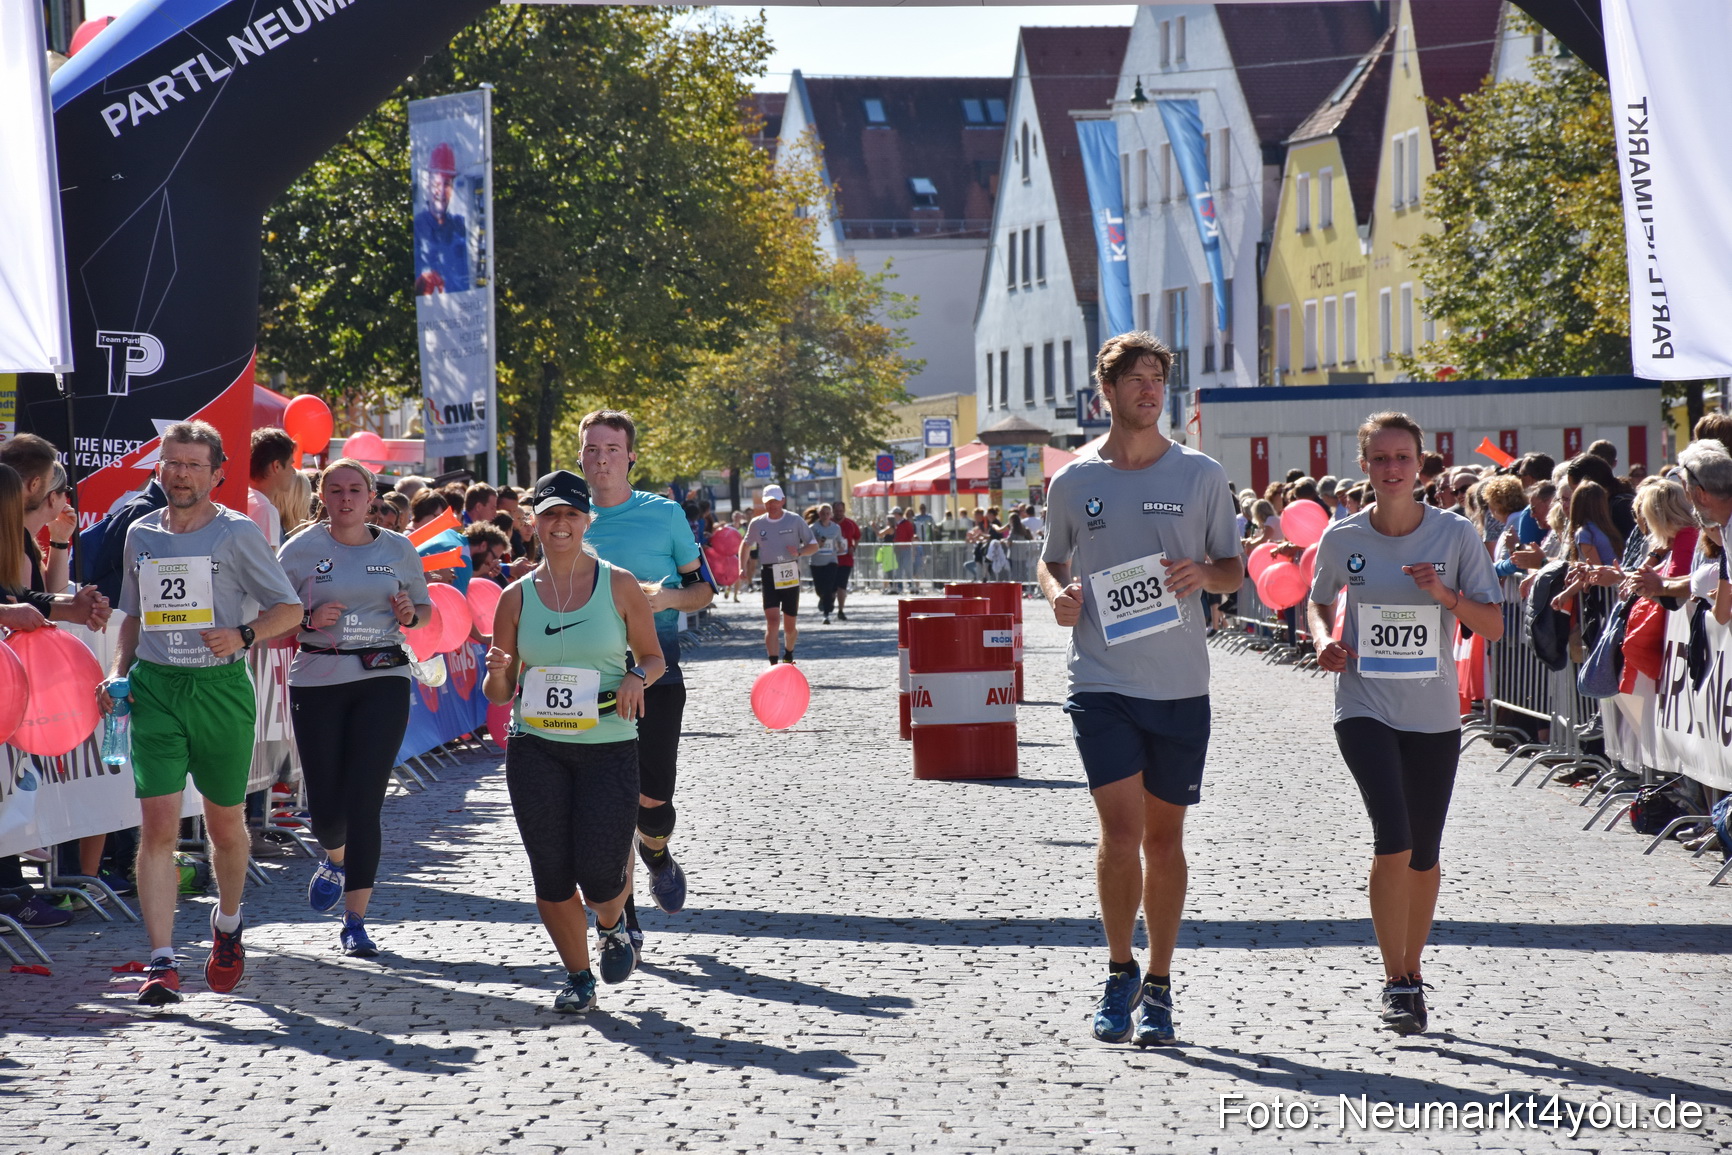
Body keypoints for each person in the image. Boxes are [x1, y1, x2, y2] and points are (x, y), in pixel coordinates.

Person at [1037, 332, 1242, 1047]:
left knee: (1164, 837)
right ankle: (1119, 967)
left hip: (1181, 683)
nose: (1150, 389)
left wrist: (1201, 575)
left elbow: (1233, 570)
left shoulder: (1201, 474)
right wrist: (1060, 595)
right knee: (1121, 834)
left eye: (1159, 377)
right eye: (1136, 379)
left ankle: (1159, 981)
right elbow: (1051, 561)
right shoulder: (1074, 480)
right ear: (1108, 392)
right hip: (1102, 680)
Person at [1306, 412, 1503, 1036]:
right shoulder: (1343, 538)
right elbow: (1318, 600)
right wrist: (1322, 639)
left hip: (1434, 713)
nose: (1392, 469)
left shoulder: (1455, 536)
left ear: (1420, 465)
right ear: (1364, 465)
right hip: (1363, 703)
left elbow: (1493, 625)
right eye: (1381, 458)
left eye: (1403, 458)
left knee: (1424, 851)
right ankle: (1396, 980)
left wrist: (1445, 596)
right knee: (1391, 836)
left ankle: (1412, 971)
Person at [101, 421, 303, 1006]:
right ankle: (163, 962)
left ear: (217, 474)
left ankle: (229, 924)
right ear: (158, 468)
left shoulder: (237, 534)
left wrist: (242, 634)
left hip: (219, 691)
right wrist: (120, 671)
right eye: (172, 463)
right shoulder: (140, 534)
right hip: (158, 688)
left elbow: (287, 609)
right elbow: (134, 616)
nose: (180, 474)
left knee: (224, 828)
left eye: (193, 465)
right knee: (159, 827)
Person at [482, 470, 665, 1013]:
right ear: (532, 521)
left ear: (588, 521)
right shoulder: (514, 598)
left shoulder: (619, 584)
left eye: (571, 514)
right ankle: (578, 975)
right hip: (536, 746)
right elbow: (499, 694)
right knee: (552, 870)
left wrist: (637, 677)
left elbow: (654, 658)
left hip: (608, 744)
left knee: (601, 870)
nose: (560, 523)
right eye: (550, 514)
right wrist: (496, 670)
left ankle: (612, 926)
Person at [277, 458, 432, 956]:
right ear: (322, 496)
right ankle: (334, 856)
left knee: (366, 802)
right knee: (325, 812)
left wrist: (411, 612)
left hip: (382, 678)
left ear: (371, 498)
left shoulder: (398, 549)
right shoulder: (299, 551)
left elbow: (425, 612)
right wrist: (306, 615)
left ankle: (356, 921)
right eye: (335, 490)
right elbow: (268, 620)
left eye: (355, 490)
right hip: (318, 679)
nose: (345, 499)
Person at [578, 411, 712, 948]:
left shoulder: (665, 515)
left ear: (631, 455)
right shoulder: (567, 518)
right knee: (611, 802)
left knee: (652, 800)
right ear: (581, 455)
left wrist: (669, 598)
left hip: (658, 671)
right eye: (593, 449)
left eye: (612, 448)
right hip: (589, 680)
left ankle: (655, 851)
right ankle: (623, 924)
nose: (602, 458)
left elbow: (704, 590)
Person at [739, 484, 818, 663]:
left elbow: (813, 545)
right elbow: (745, 544)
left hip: (789, 573)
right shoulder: (758, 523)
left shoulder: (795, 520)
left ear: (783, 500)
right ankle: (773, 664)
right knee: (773, 621)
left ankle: (789, 653)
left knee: (790, 627)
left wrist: (799, 552)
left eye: (776, 501)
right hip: (769, 574)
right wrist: (742, 567)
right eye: (768, 502)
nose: (772, 505)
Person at [413, 141, 470, 295]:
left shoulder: (459, 226)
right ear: (428, 185)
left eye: (447, 184)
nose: (441, 191)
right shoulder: (417, 226)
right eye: (437, 183)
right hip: (430, 313)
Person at [409, 490, 472, 593]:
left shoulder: (432, 539)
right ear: (422, 513)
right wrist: (436, 573)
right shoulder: (406, 538)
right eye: (437, 517)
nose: (441, 523)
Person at [249, 428, 297, 547]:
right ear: (276, 466)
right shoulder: (266, 510)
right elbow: (265, 564)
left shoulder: (247, 499)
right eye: (291, 464)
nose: (294, 471)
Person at [810, 504, 844, 622]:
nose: (825, 516)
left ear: (831, 515)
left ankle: (826, 614)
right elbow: (808, 545)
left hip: (831, 561)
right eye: (823, 513)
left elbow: (840, 541)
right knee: (820, 589)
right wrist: (818, 543)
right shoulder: (813, 528)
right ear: (819, 514)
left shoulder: (836, 528)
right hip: (816, 562)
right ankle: (823, 599)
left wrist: (841, 546)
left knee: (829, 586)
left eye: (827, 514)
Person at [832, 499, 861, 620]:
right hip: (830, 559)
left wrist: (853, 547)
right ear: (833, 511)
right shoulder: (829, 523)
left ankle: (840, 610)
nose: (839, 513)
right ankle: (828, 606)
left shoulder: (850, 524)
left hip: (846, 560)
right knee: (831, 587)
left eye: (841, 511)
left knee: (842, 586)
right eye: (837, 511)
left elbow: (858, 537)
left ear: (844, 511)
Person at [705, 512, 743, 603]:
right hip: (725, 554)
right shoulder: (728, 527)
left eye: (738, 516)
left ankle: (735, 595)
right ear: (733, 517)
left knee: (737, 575)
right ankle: (728, 589)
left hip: (738, 552)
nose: (737, 518)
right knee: (728, 572)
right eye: (735, 516)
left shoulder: (743, 527)